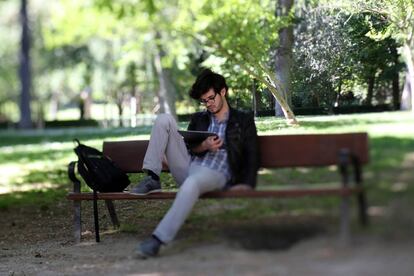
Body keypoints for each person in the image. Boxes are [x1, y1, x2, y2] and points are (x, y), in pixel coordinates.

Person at [131, 68, 259, 258]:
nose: (208, 104)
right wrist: (204, 146)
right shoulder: (199, 118)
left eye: (211, 98)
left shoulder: (243, 119)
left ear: (223, 91)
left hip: (217, 173)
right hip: (191, 166)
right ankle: (152, 176)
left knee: (192, 182)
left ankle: (157, 240)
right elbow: (190, 148)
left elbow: (252, 153)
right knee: (164, 118)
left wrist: (247, 183)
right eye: (204, 101)